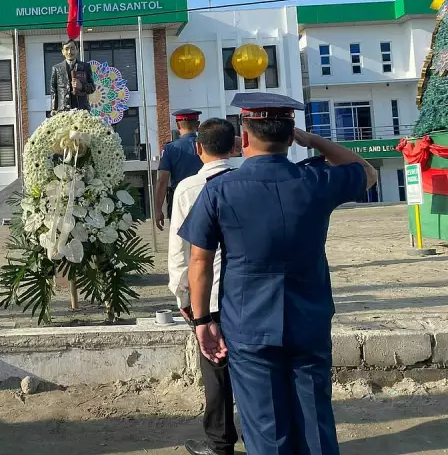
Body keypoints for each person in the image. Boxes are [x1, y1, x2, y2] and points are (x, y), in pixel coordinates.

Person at [180, 93, 378, 455]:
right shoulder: (316, 180)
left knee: (267, 429)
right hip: (309, 321)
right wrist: (315, 140)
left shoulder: (219, 190)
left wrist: (202, 319)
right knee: (315, 423)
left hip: (248, 325)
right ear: (291, 137)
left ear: (243, 137)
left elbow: (199, 261)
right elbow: (368, 173)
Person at [167, 118, 238, 455]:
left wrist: (182, 296)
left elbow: (180, 252)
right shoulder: (244, 180)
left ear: (198, 149)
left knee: (216, 370)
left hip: (206, 296)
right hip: (244, 294)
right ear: (235, 146)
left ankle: (220, 445)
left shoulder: (189, 189)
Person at [155, 109, 203, 230]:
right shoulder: (206, 145)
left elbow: (162, 181)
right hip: (204, 197)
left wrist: (158, 209)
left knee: (180, 241)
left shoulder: (171, 148)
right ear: (198, 124)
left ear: (177, 125)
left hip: (179, 199)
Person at [50, 39, 96, 114]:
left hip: (81, 110)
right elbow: (53, 90)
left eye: (72, 48)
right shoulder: (56, 68)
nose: (69, 52)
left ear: (77, 50)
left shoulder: (85, 66)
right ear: (62, 52)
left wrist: (82, 86)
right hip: (63, 110)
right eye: (66, 49)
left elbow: (92, 88)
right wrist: (53, 108)